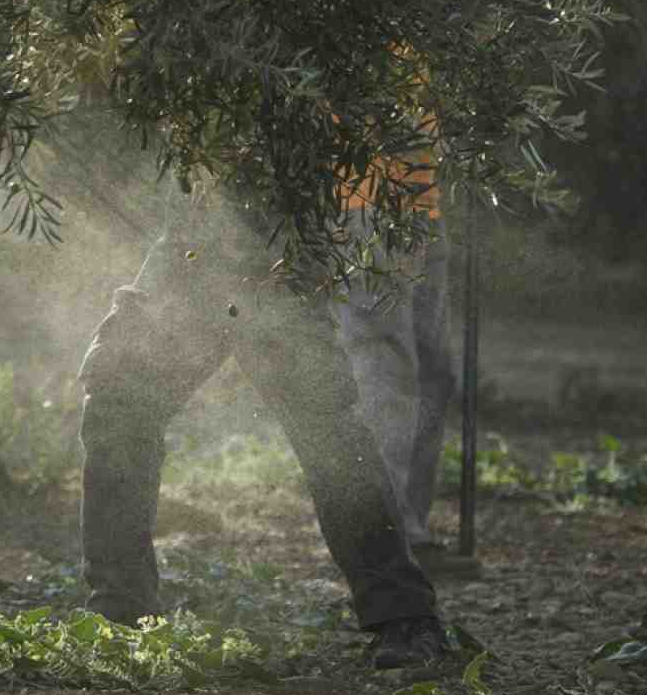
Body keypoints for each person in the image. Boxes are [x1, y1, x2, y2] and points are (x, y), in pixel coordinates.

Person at [77, 183, 451, 670]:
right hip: (193, 237)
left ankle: (406, 616)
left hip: (278, 239)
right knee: (117, 401)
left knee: (324, 421)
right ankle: (120, 619)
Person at [335, 127, 479, 580]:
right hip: (364, 203)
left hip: (422, 205)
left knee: (437, 373)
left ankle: (409, 527)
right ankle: (387, 536)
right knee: (387, 370)